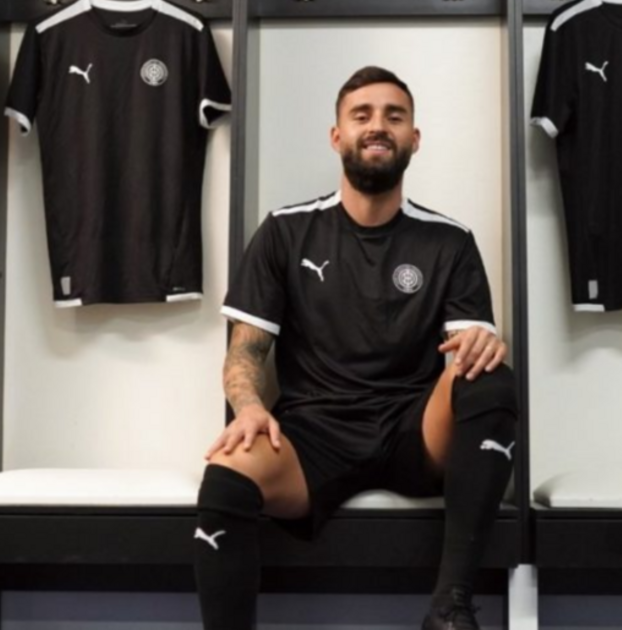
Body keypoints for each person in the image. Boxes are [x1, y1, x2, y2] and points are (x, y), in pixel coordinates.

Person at [196, 66, 518, 630]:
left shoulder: (450, 240)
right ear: (336, 135)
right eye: (361, 115)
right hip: (314, 433)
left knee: (489, 374)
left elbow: (467, 353)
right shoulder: (285, 231)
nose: (377, 126)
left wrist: (482, 345)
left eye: (395, 116)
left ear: (414, 137)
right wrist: (247, 407)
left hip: (414, 431)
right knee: (226, 472)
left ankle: (450, 608)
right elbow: (245, 353)